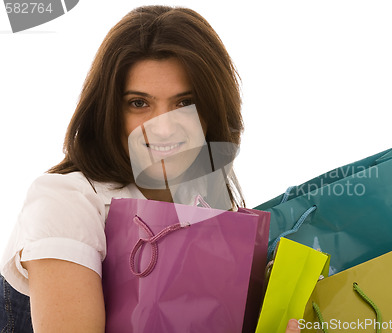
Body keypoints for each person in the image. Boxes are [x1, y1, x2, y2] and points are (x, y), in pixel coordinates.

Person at [0, 5, 300, 333]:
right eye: (139, 103)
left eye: (184, 103)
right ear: (109, 111)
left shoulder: (208, 211)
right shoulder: (66, 199)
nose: (164, 128)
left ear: (212, 112)